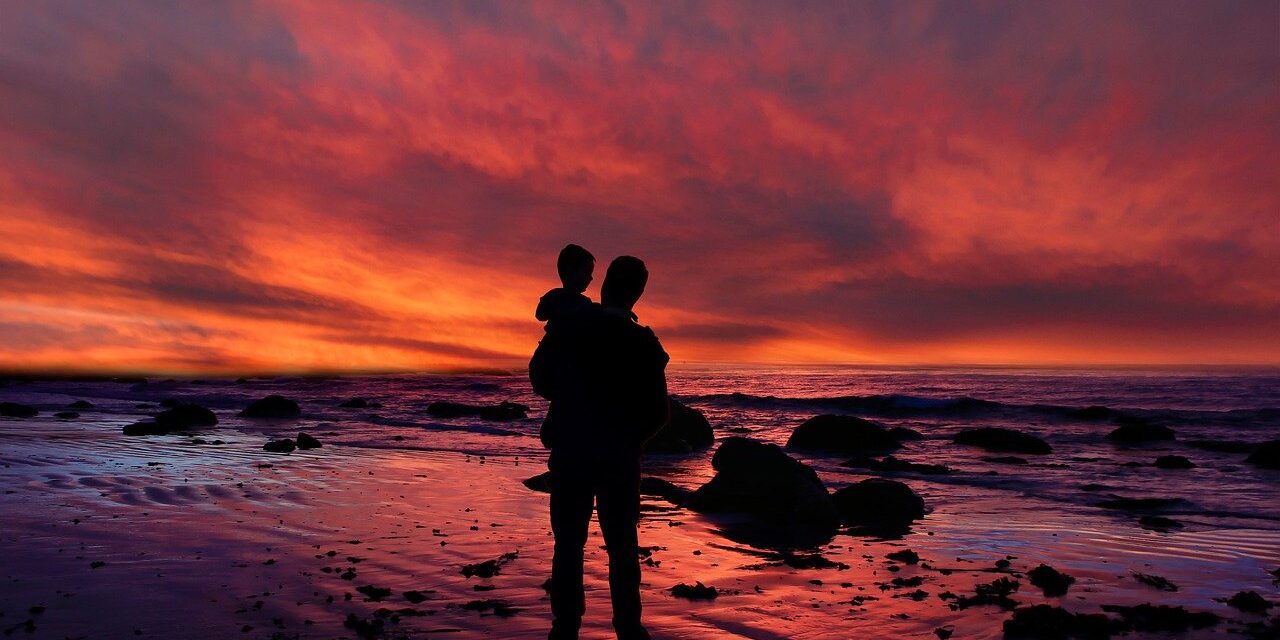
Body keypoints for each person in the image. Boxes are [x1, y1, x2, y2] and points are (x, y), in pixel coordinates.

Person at [530, 256, 670, 640]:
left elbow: (541, 380)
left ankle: (566, 626)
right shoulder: (643, 343)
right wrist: (630, 441)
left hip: (572, 453)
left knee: (569, 544)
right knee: (622, 545)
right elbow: (659, 413)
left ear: (606, 285)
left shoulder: (572, 327)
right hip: (618, 461)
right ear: (637, 294)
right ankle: (627, 627)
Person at [535, 244, 596, 448]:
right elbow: (540, 314)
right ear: (570, 271)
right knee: (564, 395)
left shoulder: (585, 303)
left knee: (566, 397)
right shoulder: (558, 297)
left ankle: (560, 434)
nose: (590, 278)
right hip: (558, 355)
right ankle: (555, 432)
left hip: (569, 357)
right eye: (586, 272)